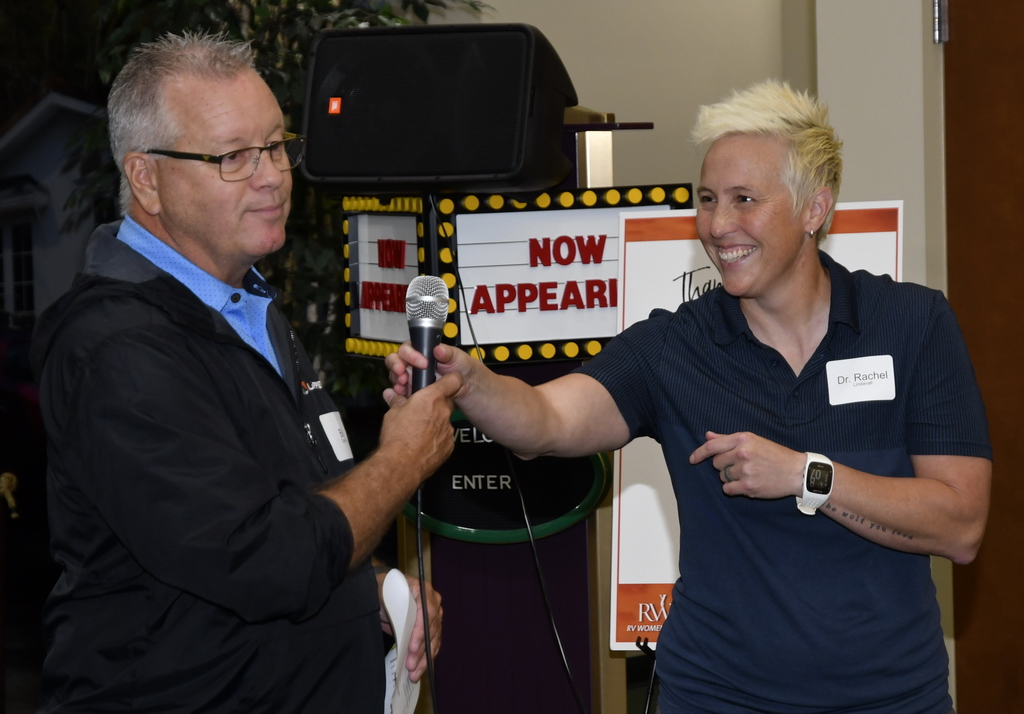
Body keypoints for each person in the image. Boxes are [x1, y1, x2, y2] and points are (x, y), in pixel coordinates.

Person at [386, 80, 991, 713]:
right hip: (715, 697)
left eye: (744, 200)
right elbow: (547, 420)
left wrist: (806, 475)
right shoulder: (674, 347)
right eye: (706, 200)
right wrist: (472, 381)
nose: (717, 225)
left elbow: (961, 525)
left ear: (815, 208)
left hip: (891, 699)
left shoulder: (913, 324)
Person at [30, 32, 460, 712]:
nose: (272, 175)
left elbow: (283, 506)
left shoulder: (243, 302)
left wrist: (371, 585)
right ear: (146, 178)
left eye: (275, 145)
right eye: (233, 157)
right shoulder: (117, 348)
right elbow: (270, 562)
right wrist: (403, 459)